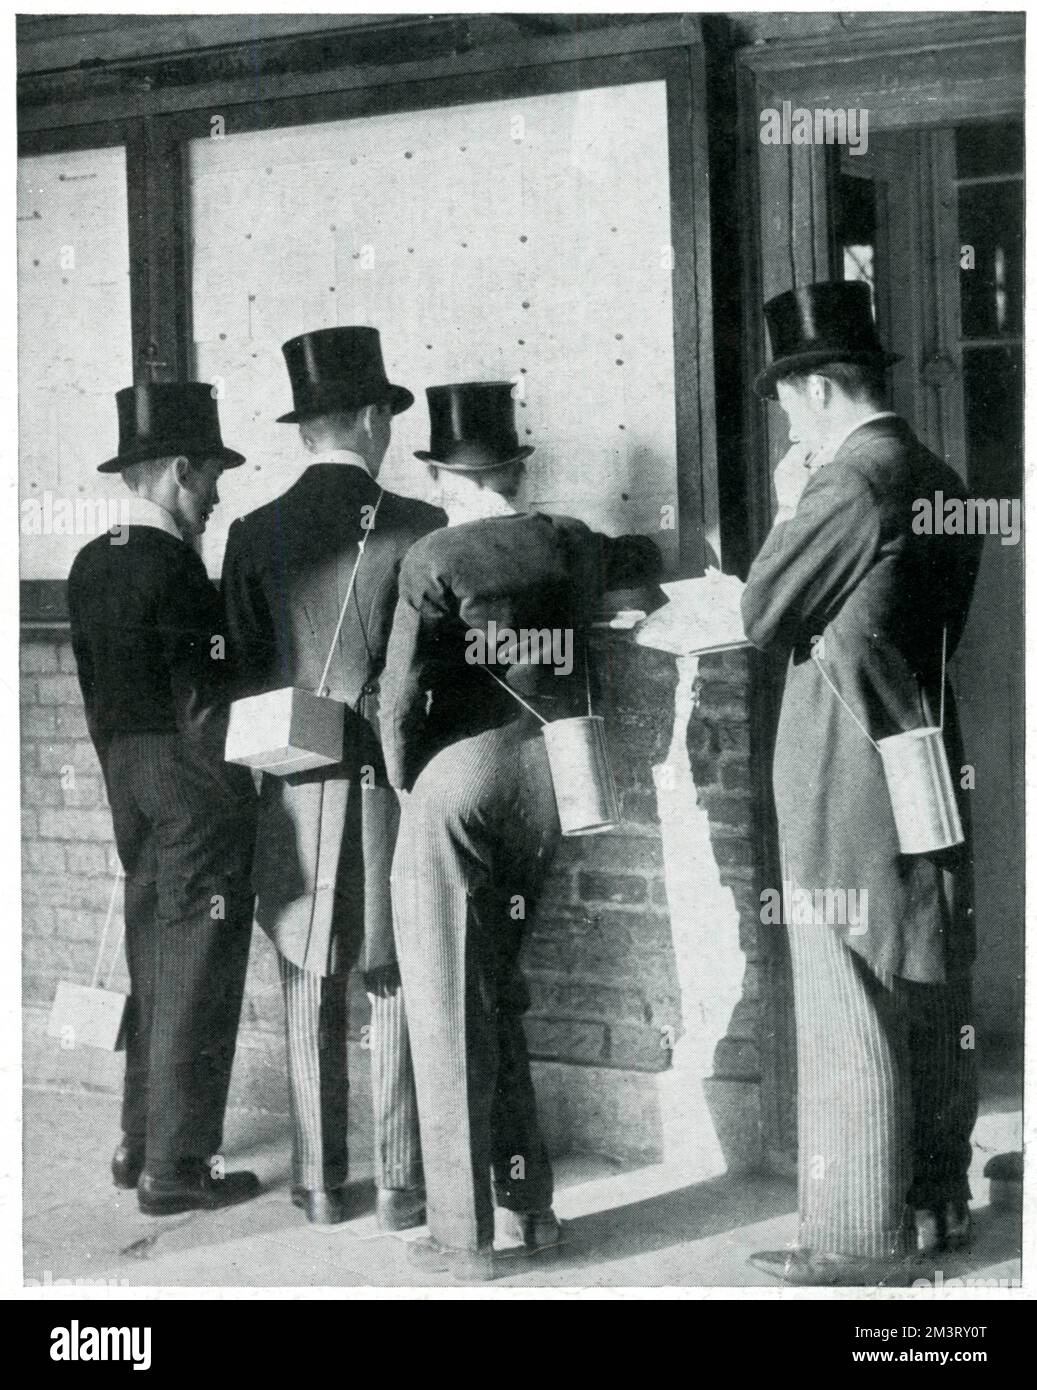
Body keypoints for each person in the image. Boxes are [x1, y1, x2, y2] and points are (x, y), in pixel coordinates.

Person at [380, 381, 662, 1280]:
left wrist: (410, 780)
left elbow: (397, 700)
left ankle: (463, 1238)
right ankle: (529, 1207)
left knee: (445, 1001)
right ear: (516, 468)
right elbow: (639, 561)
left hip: (462, 778)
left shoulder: (431, 555)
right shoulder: (569, 541)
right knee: (494, 986)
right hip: (557, 775)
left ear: (440, 473)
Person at [742, 282, 983, 1286]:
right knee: (924, 968)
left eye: (789, 401)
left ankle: (852, 1234)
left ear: (814, 391)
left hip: (844, 762)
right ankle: (934, 1200)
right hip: (918, 744)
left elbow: (762, 608)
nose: (789, 420)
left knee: (847, 980)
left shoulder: (848, 480)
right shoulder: (935, 474)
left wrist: (796, 484)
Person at [221, 327, 445, 1227]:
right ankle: (398, 1184)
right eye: (386, 415)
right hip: (389, 783)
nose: (388, 430)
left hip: (290, 784)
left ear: (307, 428)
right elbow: (432, 670)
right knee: (389, 969)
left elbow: (236, 672)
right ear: (365, 417)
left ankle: (318, 1185)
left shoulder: (250, 532)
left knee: (306, 971)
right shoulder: (418, 526)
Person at [68, 382, 260, 1216]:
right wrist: (235, 792)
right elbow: (204, 703)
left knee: (155, 958)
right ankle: (178, 1168)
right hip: (187, 782)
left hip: (124, 775)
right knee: (198, 968)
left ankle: (137, 1142)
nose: (215, 496)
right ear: (180, 470)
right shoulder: (175, 565)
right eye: (211, 476)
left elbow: (92, 691)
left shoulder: (90, 561)